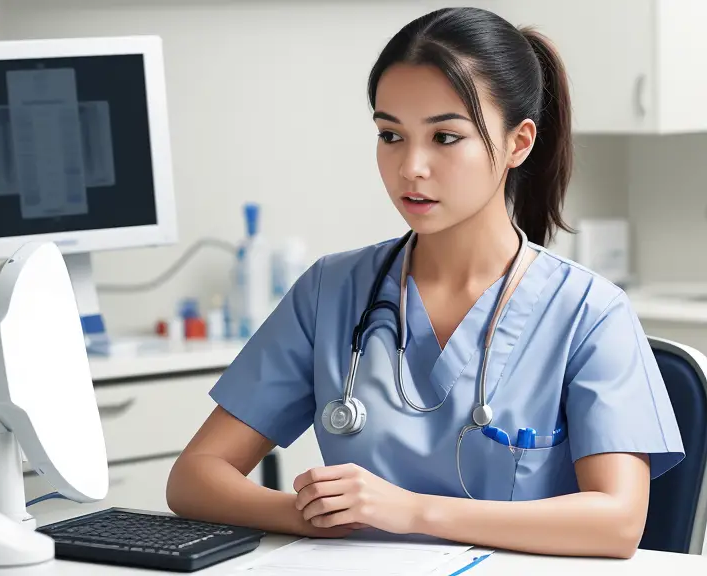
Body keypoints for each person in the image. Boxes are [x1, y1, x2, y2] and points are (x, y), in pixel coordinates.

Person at [166, 6, 684, 559]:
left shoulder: (588, 312)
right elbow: (194, 477)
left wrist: (411, 511)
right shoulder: (330, 292)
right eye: (391, 134)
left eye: (445, 137)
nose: (411, 166)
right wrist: (312, 514)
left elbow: (618, 521)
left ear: (519, 143)